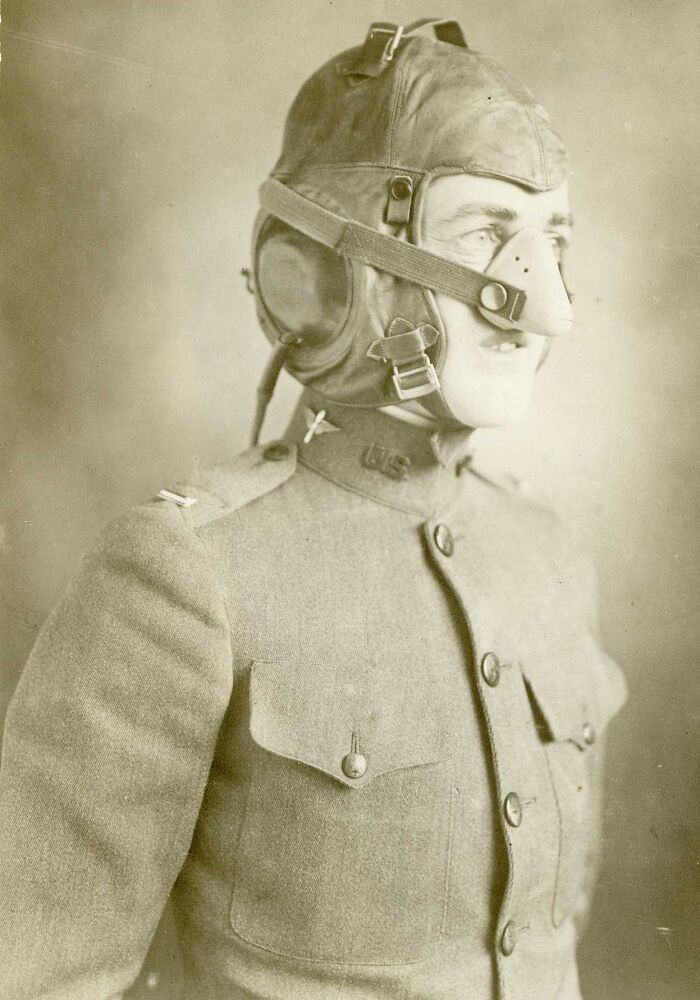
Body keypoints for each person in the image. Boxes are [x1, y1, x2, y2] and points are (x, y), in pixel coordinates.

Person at [0, 17, 628, 1000]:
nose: (546, 304)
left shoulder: (544, 552)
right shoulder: (185, 574)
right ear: (333, 276)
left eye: (552, 241)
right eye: (487, 237)